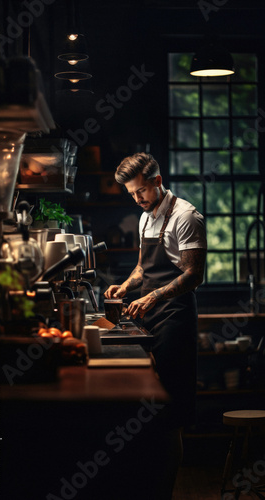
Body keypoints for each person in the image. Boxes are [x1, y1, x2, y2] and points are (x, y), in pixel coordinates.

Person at [104, 152, 207, 497]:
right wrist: (125, 286)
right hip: (150, 319)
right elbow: (142, 270)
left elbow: (194, 275)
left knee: (171, 412)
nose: (137, 199)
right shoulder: (145, 217)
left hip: (175, 318)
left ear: (157, 182)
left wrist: (150, 298)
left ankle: (167, 490)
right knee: (150, 408)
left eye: (141, 191)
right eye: (131, 194)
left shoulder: (186, 216)